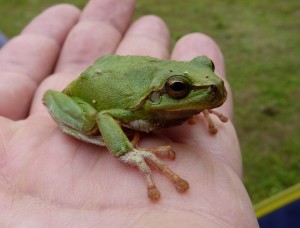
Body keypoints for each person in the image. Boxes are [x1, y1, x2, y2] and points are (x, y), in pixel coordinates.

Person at [0, 0, 259, 227]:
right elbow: (105, 117)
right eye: (179, 88)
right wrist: (127, 151)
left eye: (207, 67)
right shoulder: (140, 105)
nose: (215, 83)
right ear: (165, 91)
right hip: (87, 97)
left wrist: (197, 104)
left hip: (123, 75)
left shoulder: (177, 90)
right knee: (92, 120)